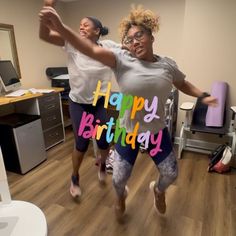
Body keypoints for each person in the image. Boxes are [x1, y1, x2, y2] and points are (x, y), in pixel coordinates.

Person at [39, 5, 217, 218]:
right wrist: (60, 26)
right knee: (118, 180)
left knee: (170, 174)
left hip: (156, 131)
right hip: (129, 131)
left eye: (139, 35)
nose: (135, 42)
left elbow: (183, 83)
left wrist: (202, 95)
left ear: (151, 36)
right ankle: (120, 195)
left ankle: (158, 191)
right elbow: (89, 49)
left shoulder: (167, 65)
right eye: (130, 39)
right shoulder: (120, 60)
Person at [39, 0, 120, 198]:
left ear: (97, 31)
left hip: (99, 102)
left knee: (103, 140)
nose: (81, 27)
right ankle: (75, 177)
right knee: (82, 143)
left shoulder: (108, 45)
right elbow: (44, 35)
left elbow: (127, 50)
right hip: (79, 104)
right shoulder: (71, 44)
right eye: (80, 25)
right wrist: (46, 14)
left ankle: (102, 164)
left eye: (86, 25)